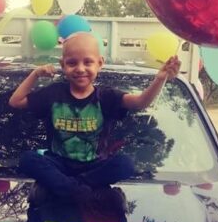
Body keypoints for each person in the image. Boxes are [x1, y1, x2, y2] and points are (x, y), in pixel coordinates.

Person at [9, 31, 180, 202]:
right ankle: (80, 191)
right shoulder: (53, 93)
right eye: (72, 63)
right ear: (62, 64)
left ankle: (73, 188)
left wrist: (159, 79)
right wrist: (35, 74)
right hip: (58, 165)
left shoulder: (106, 97)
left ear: (100, 63)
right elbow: (16, 101)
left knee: (125, 163)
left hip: (94, 168)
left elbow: (140, 103)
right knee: (28, 159)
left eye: (88, 62)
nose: (80, 68)